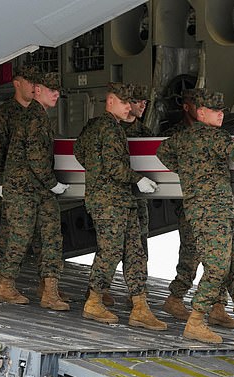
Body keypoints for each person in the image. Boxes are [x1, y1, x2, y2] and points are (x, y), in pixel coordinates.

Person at [157, 90, 234, 353]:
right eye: (215, 110)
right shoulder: (215, 137)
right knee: (223, 268)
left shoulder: (181, 138)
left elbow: (162, 152)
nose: (221, 114)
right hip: (214, 213)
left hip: (214, 212)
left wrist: (185, 170)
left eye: (222, 111)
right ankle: (196, 321)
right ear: (200, 113)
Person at [74, 82, 167, 331]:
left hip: (119, 200)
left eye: (129, 103)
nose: (128, 107)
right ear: (110, 101)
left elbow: (79, 151)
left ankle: (140, 307)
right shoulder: (108, 128)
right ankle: (94, 301)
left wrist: (95, 172)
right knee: (111, 251)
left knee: (134, 252)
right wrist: (138, 179)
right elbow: (114, 167)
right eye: (124, 102)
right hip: (109, 202)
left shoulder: (99, 127)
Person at [160, 88, 234, 330]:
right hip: (191, 203)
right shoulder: (177, 134)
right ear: (188, 107)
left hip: (214, 203)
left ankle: (218, 306)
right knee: (192, 252)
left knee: (219, 255)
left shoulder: (215, 133)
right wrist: (185, 172)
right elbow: (164, 154)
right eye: (197, 105)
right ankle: (176, 296)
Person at [0, 72, 70, 311]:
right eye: (51, 89)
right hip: (24, 189)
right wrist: (52, 183)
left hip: (37, 189)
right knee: (20, 237)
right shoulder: (34, 118)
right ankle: (6, 285)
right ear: (38, 90)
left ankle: (49, 290)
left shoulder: (38, 116)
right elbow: (36, 156)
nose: (56, 94)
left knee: (51, 236)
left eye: (57, 90)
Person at [0, 65, 39, 293]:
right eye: (30, 82)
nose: (34, 87)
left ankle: (0, 276)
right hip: (14, 183)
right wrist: (1, 180)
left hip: (34, 183)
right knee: (13, 231)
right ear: (17, 83)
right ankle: (0, 277)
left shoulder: (37, 113)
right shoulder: (3, 115)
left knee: (24, 231)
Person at [121, 84, 153, 258]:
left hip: (138, 198)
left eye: (145, 102)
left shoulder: (145, 133)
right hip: (114, 198)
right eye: (137, 101)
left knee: (140, 247)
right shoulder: (110, 128)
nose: (142, 106)